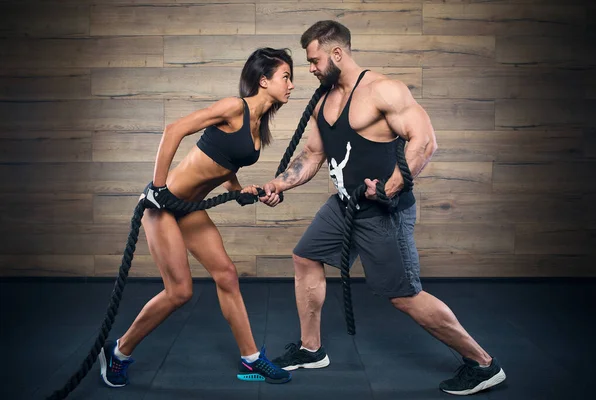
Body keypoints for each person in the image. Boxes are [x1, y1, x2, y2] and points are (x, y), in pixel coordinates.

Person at [258, 21, 507, 396]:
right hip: (344, 206)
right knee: (305, 256)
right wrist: (280, 182)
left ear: (337, 53)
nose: (310, 69)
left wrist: (389, 189)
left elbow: (424, 141)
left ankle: (483, 363)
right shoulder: (323, 101)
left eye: (314, 60)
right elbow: (313, 156)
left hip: (382, 213)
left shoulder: (382, 90)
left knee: (403, 294)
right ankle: (312, 350)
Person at [99, 47, 295, 388]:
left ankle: (251, 358)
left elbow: (222, 165)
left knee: (227, 275)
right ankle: (118, 352)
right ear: (264, 81)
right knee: (180, 292)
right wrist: (157, 188)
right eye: (286, 77)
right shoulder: (234, 108)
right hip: (161, 206)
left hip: (189, 210)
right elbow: (175, 130)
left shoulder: (257, 124)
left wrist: (240, 190)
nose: (292, 85)